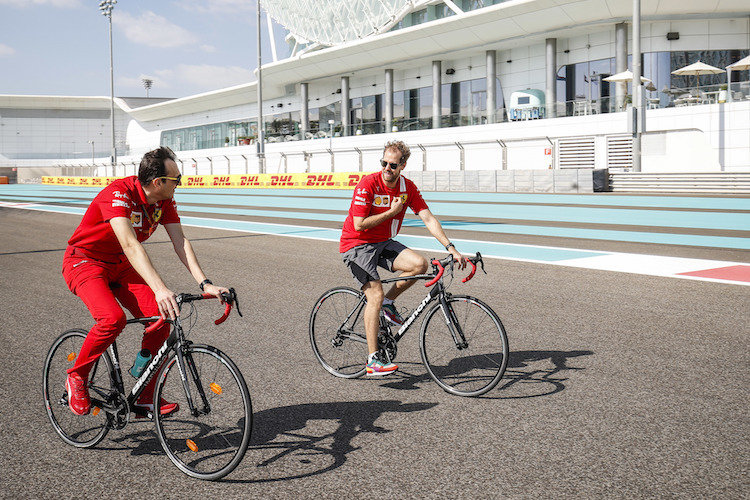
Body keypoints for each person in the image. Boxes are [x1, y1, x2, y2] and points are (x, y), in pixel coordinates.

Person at [61, 146, 229, 417]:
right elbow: (129, 243)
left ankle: (145, 393)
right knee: (112, 319)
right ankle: (77, 377)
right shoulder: (118, 194)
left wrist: (205, 283)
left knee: (162, 316)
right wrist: (160, 288)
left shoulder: (164, 201)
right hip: (86, 261)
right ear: (156, 182)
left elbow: (180, 242)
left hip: (121, 265)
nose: (180, 184)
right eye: (177, 179)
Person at [340, 140, 466, 376]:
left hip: (383, 243)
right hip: (356, 245)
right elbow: (359, 224)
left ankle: (389, 302)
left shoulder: (407, 188)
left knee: (420, 264)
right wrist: (393, 212)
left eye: (393, 165)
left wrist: (451, 247)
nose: (387, 168)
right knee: (374, 294)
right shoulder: (368, 185)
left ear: (403, 165)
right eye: (384, 163)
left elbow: (428, 218)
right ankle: (372, 361)